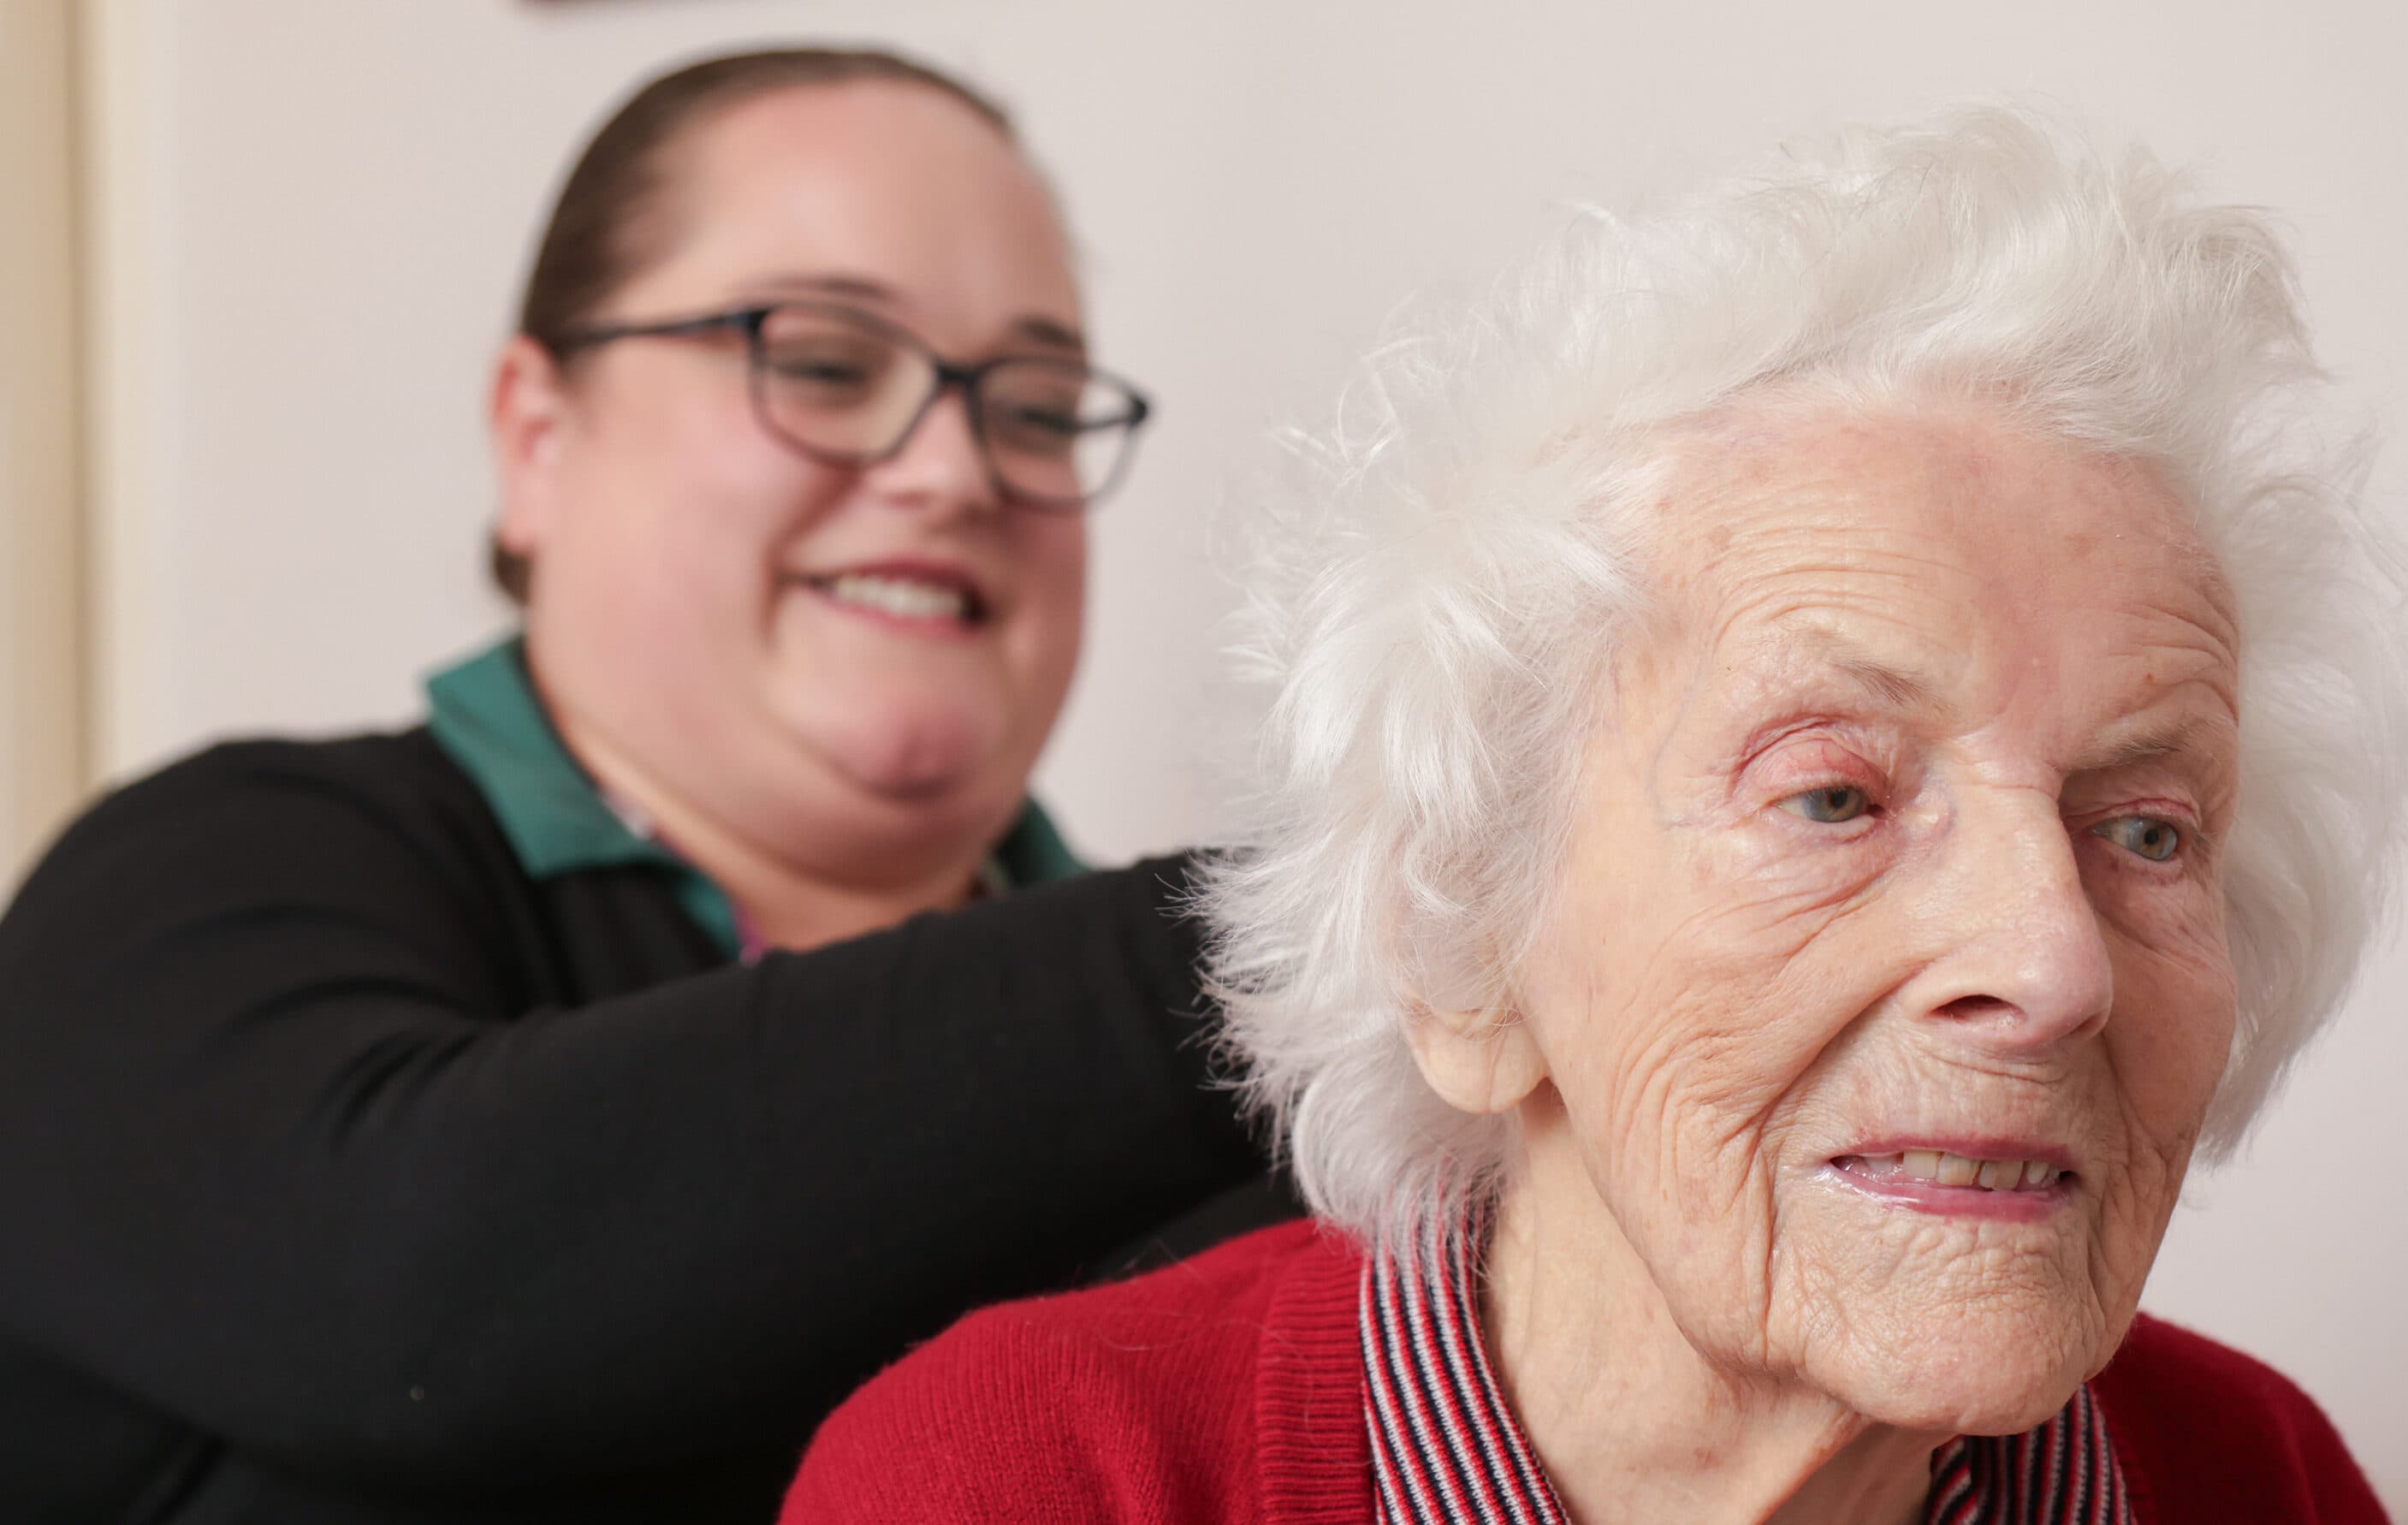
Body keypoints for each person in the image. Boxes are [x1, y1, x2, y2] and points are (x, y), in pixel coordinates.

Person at [787, 107, 2406, 1522]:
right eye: (1832, 794)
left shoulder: (2260, 1481)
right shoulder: (1029, 1482)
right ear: (1462, 958)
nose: (2055, 961)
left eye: (2144, 830)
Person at [0, 47, 1267, 1525]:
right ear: (536, 440)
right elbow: (408, 1289)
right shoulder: (210, 880)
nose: (952, 468)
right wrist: (1309, 931)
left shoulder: (1246, 1097)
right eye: (823, 361)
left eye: (1037, 406)